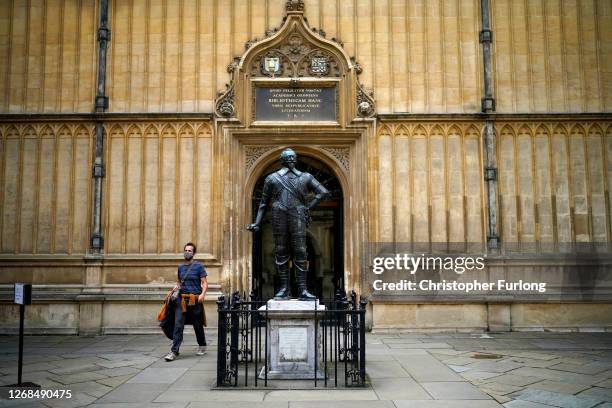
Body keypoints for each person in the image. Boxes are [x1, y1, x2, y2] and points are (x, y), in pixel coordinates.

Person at [247, 148, 328, 300]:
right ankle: (284, 288)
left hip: (297, 215)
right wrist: (256, 223)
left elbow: (323, 192)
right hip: (279, 215)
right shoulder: (272, 178)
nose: (291, 159)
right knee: (281, 251)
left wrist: (307, 207)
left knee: (300, 251)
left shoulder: (306, 177)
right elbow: (263, 203)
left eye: (293, 157)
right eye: (288, 157)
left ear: (296, 159)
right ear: (282, 160)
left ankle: (302, 289)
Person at [164, 242, 208, 361]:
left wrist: (203, 294)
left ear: (193, 253)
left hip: (194, 299)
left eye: (190, 251)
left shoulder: (199, 266)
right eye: (186, 250)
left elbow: (204, 282)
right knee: (178, 325)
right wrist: (174, 289)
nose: (187, 252)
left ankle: (202, 344)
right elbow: (179, 282)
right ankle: (174, 351)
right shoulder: (180, 267)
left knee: (197, 325)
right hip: (181, 300)